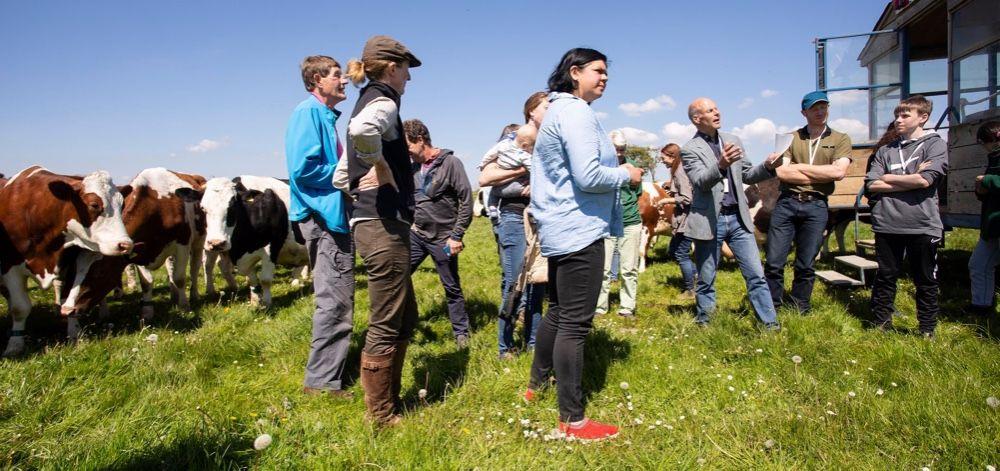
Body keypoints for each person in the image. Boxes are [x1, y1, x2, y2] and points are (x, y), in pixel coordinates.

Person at [524, 48, 643, 441]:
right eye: (598, 71)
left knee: (559, 312)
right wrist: (626, 173)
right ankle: (572, 420)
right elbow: (589, 176)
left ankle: (535, 386)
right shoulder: (575, 112)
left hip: (562, 228)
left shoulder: (557, 111)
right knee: (575, 323)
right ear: (575, 72)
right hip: (580, 229)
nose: (605, 77)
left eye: (607, 72)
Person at [337, 35, 421, 426]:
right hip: (382, 225)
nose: (409, 77)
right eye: (406, 69)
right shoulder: (383, 102)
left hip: (377, 221)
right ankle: (381, 415)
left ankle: (390, 400)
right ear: (391, 67)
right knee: (388, 319)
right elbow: (361, 130)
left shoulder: (368, 98)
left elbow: (342, 175)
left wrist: (358, 183)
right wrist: (381, 168)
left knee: (405, 315)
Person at [285, 55, 355, 399]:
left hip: (329, 215)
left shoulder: (323, 115)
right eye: (337, 75)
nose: (344, 80)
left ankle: (324, 375)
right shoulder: (308, 112)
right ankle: (322, 383)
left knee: (337, 295)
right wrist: (351, 172)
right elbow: (303, 169)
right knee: (335, 298)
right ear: (317, 80)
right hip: (323, 217)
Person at [680, 97, 782, 330]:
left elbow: (747, 174)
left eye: (717, 108)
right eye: (710, 110)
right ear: (697, 119)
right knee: (706, 278)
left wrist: (767, 166)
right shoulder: (689, 149)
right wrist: (721, 165)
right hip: (710, 220)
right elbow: (700, 182)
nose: (717, 113)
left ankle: (770, 324)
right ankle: (705, 324)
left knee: (756, 274)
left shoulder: (733, 140)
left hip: (739, 218)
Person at [865, 95, 948, 337]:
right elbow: (871, 184)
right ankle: (881, 325)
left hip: (922, 224)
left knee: (925, 280)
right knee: (885, 276)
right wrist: (909, 179)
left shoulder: (935, 145)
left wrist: (888, 178)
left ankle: (926, 329)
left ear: (923, 117)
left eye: (905, 115)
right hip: (887, 223)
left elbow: (925, 180)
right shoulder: (886, 150)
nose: (898, 120)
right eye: (896, 116)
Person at [765, 91, 853, 313]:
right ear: (804, 112)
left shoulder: (840, 138)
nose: (820, 111)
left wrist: (800, 167)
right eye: (815, 108)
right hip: (787, 203)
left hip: (816, 205)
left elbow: (839, 172)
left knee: (806, 263)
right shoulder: (790, 138)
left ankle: (799, 307)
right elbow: (782, 173)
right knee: (774, 261)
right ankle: (771, 307)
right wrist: (822, 173)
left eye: (824, 107)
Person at [480, 92, 549, 360]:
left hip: (542, 217)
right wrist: (523, 172)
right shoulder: (513, 141)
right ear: (532, 111)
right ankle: (505, 346)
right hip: (513, 215)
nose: (552, 112)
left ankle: (534, 344)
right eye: (546, 107)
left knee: (538, 282)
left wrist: (540, 184)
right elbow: (486, 177)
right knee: (515, 281)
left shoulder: (550, 142)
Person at [403, 119, 474, 348]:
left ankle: (461, 333)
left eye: (408, 146)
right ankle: (406, 324)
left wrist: (456, 236)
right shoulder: (412, 169)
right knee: (399, 276)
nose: (407, 152)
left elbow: (466, 200)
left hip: (444, 238)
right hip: (417, 235)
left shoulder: (451, 163)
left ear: (420, 139)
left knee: (451, 286)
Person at [595, 130, 643, 318]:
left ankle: (627, 307)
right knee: (603, 268)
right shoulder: (599, 166)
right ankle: (600, 307)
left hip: (630, 220)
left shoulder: (633, 168)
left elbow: (637, 193)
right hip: (605, 221)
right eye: (616, 149)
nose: (619, 153)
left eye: (622, 149)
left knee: (629, 268)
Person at [968, 120, 1000, 316]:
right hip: (992, 224)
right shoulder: (994, 158)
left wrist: (986, 180)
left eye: (984, 141)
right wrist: (980, 190)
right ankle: (981, 305)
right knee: (979, 264)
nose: (985, 146)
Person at [660, 143, 696, 299]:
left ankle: (690, 289)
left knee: (681, 253)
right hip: (684, 218)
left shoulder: (680, 171)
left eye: (663, 158)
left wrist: (667, 200)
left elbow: (688, 198)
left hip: (687, 219)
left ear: (672, 156)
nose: (662, 161)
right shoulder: (678, 169)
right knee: (674, 250)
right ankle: (696, 276)